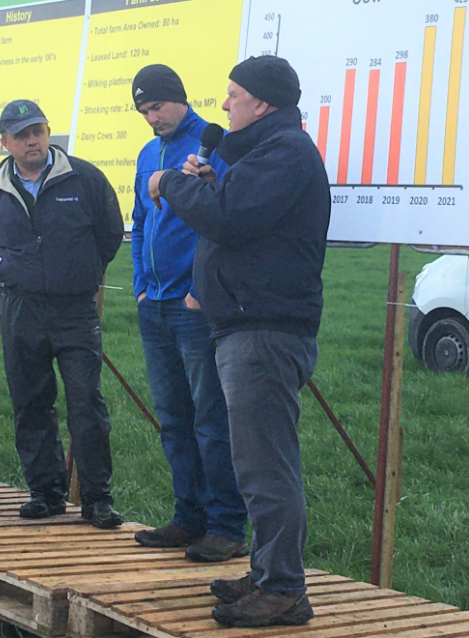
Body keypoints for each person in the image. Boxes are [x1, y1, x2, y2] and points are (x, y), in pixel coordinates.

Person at [147, 56, 330, 627]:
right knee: (255, 464)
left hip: (265, 334)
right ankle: (267, 569)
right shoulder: (266, 154)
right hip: (247, 327)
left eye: (233, 94)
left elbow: (228, 218)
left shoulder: (287, 153)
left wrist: (172, 181)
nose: (224, 105)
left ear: (263, 103)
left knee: (266, 467)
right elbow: (238, 221)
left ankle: (283, 590)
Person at [0, 99, 125, 529]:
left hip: (75, 308)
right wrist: (9, 268)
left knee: (86, 402)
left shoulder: (85, 178)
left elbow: (110, 232)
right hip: (21, 307)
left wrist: (85, 271)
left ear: (47, 132)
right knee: (30, 400)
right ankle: (45, 492)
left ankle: (97, 499)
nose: (32, 141)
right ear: (5, 142)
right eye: (21, 135)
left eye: (37, 131)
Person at [129, 65, 248, 562]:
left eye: (156, 106)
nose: (151, 117)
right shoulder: (146, 154)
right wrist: (139, 285)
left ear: (178, 98)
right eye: (143, 110)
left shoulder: (212, 144)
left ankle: (225, 524)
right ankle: (188, 516)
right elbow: (139, 223)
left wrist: (200, 289)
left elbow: (222, 218)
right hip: (153, 306)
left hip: (192, 307)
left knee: (209, 418)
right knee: (173, 418)